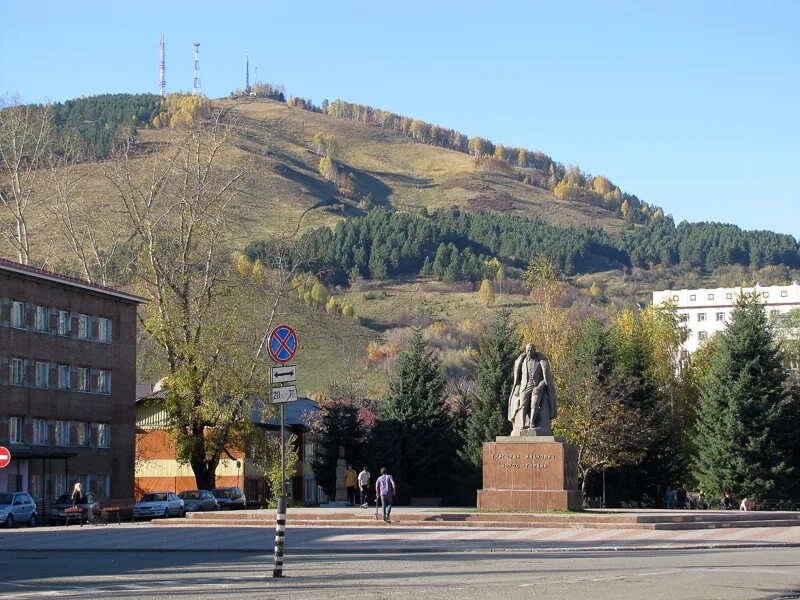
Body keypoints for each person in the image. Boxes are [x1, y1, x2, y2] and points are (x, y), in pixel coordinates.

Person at [507, 343, 557, 436]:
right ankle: (522, 424)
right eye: (527, 350)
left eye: (531, 350)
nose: (529, 352)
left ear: (534, 350)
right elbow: (517, 378)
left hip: (536, 386)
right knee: (522, 404)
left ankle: (531, 423)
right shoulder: (521, 361)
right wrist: (517, 387)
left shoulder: (540, 361)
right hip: (524, 386)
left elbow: (545, 379)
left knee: (535, 402)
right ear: (525, 351)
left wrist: (539, 387)